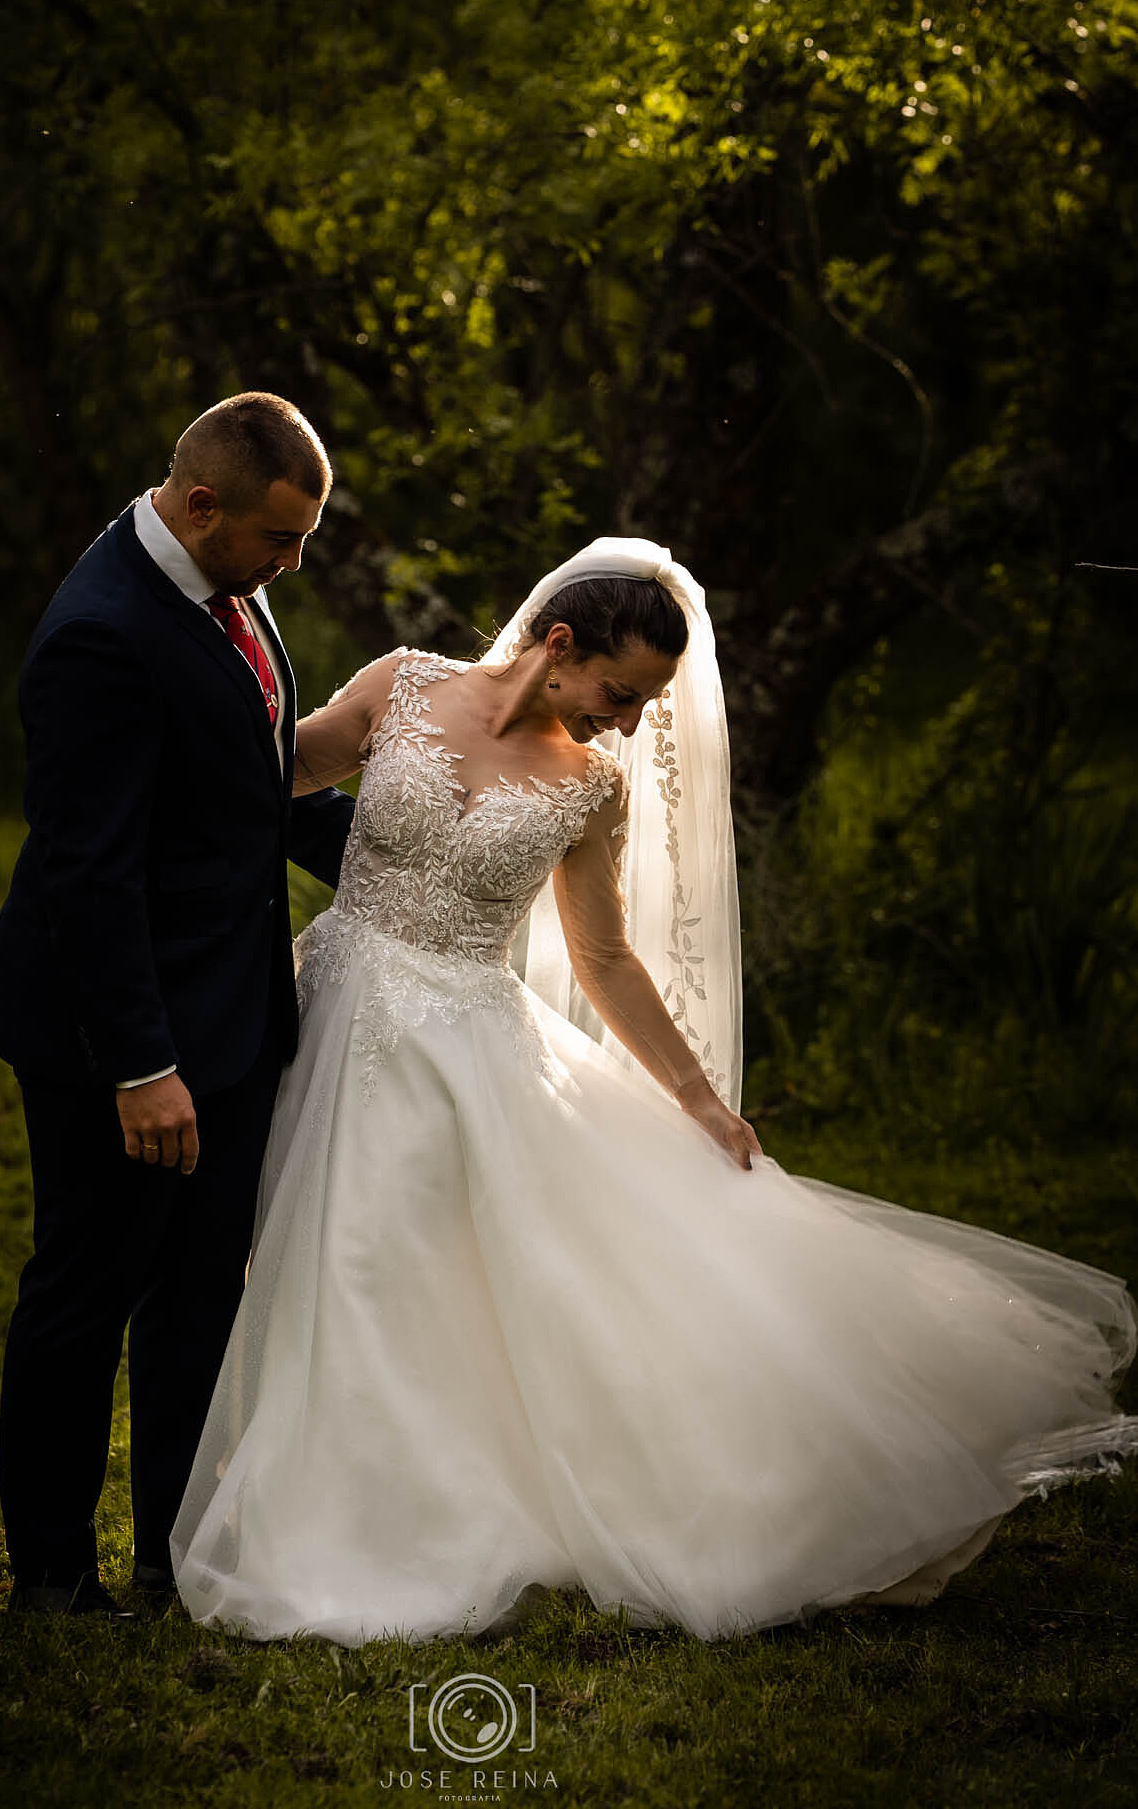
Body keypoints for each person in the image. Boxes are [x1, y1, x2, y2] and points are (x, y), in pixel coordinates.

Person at [171, 539, 1138, 1644]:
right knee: (286, 1251)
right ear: (560, 644)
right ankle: (311, 1476)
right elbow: (270, 773)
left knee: (381, 1263)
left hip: (456, 1050)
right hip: (325, 1004)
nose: (626, 722)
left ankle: (390, 1512)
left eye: (644, 708)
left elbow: (605, 957)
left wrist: (698, 1098)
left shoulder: (588, 785)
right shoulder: (401, 685)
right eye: (620, 695)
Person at [0, 392, 355, 1618]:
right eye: (281, 538)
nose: (293, 564)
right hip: (116, 1030)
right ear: (203, 505)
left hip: (234, 1008)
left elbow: (244, 788)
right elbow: (92, 872)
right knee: (88, 1287)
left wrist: (411, 862)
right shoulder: (100, 633)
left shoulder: (227, 587)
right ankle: (50, 1572)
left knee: (203, 1289)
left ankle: (173, 1554)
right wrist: (140, 1065)